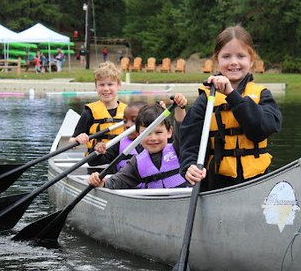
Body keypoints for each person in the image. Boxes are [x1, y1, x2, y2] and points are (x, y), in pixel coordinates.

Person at [179, 25, 282, 191]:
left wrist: (232, 95)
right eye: (226, 56)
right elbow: (189, 141)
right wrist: (188, 166)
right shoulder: (205, 99)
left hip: (256, 181)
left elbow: (260, 130)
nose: (234, 62)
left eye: (240, 56)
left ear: (251, 59)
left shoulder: (263, 95)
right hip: (215, 183)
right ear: (217, 60)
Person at [87, 101, 189, 190]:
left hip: (182, 199)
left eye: (158, 132)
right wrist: (101, 182)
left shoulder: (178, 149)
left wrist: (180, 107)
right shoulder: (136, 163)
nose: (153, 138)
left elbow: (183, 128)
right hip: (154, 206)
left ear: (169, 132)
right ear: (138, 135)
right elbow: (117, 182)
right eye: (147, 133)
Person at [90, 93, 188, 171]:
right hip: (127, 188)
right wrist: (97, 150)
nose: (128, 125)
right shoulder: (119, 143)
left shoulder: (163, 140)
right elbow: (93, 162)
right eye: (125, 120)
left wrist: (179, 107)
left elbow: (182, 128)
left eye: (134, 120)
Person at [70, 61, 127, 152]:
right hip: (98, 159)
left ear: (119, 85)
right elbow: (71, 142)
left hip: (121, 159)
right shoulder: (89, 113)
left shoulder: (127, 112)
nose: (106, 89)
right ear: (96, 86)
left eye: (110, 84)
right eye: (101, 85)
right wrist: (77, 139)